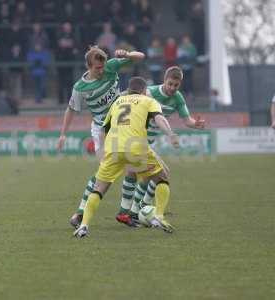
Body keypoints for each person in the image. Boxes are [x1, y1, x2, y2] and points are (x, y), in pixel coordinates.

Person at [73, 77, 179, 238]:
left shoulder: (117, 102)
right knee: (163, 177)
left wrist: (101, 151)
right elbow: (159, 118)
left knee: (99, 188)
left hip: (113, 149)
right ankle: (159, 217)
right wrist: (170, 134)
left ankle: (84, 226)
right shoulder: (148, 100)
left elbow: (103, 130)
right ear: (144, 91)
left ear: (129, 90)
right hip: (136, 148)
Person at [56, 45, 145, 228]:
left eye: (103, 66)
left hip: (122, 125)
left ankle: (124, 212)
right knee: (104, 174)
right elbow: (71, 110)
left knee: (133, 167)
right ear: (88, 66)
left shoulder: (111, 67)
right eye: (97, 68)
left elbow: (141, 56)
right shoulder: (80, 88)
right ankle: (80, 213)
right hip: (102, 129)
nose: (102, 70)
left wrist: (127, 54)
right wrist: (63, 134)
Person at [119, 66, 205, 221]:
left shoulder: (178, 98)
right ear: (164, 80)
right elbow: (128, 97)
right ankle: (135, 211)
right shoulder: (150, 92)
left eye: (176, 85)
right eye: (170, 84)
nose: (172, 88)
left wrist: (195, 124)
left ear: (180, 84)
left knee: (146, 175)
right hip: (137, 138)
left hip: (148, 142)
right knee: (158, 173)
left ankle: (137, 210)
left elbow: (187, 120)